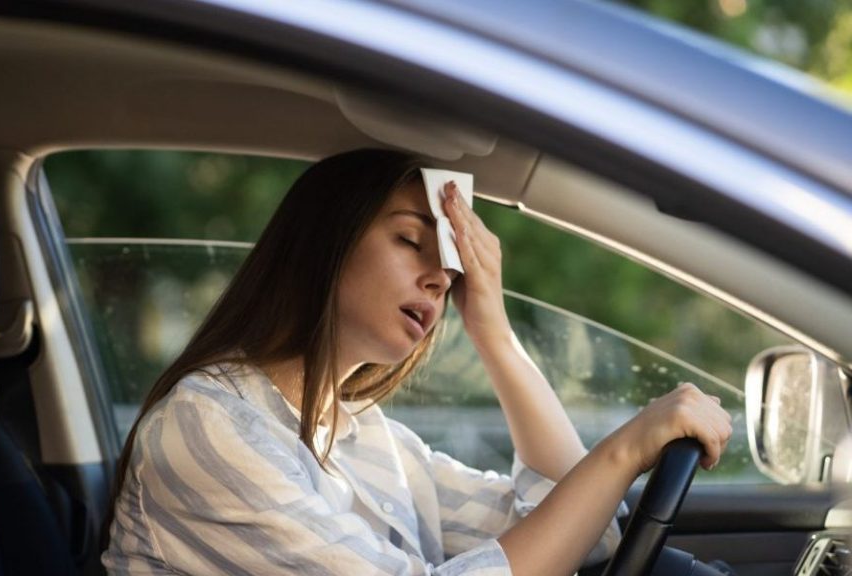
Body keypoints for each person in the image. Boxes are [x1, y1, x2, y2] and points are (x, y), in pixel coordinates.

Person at [102, 148, 733, 575]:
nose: (439, 278)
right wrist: (624, 451)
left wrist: (492, 329)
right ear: (325, 244)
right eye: (409, 240)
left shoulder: (367, 438)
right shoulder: (206, 426)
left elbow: (586, 534)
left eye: (450, 265)